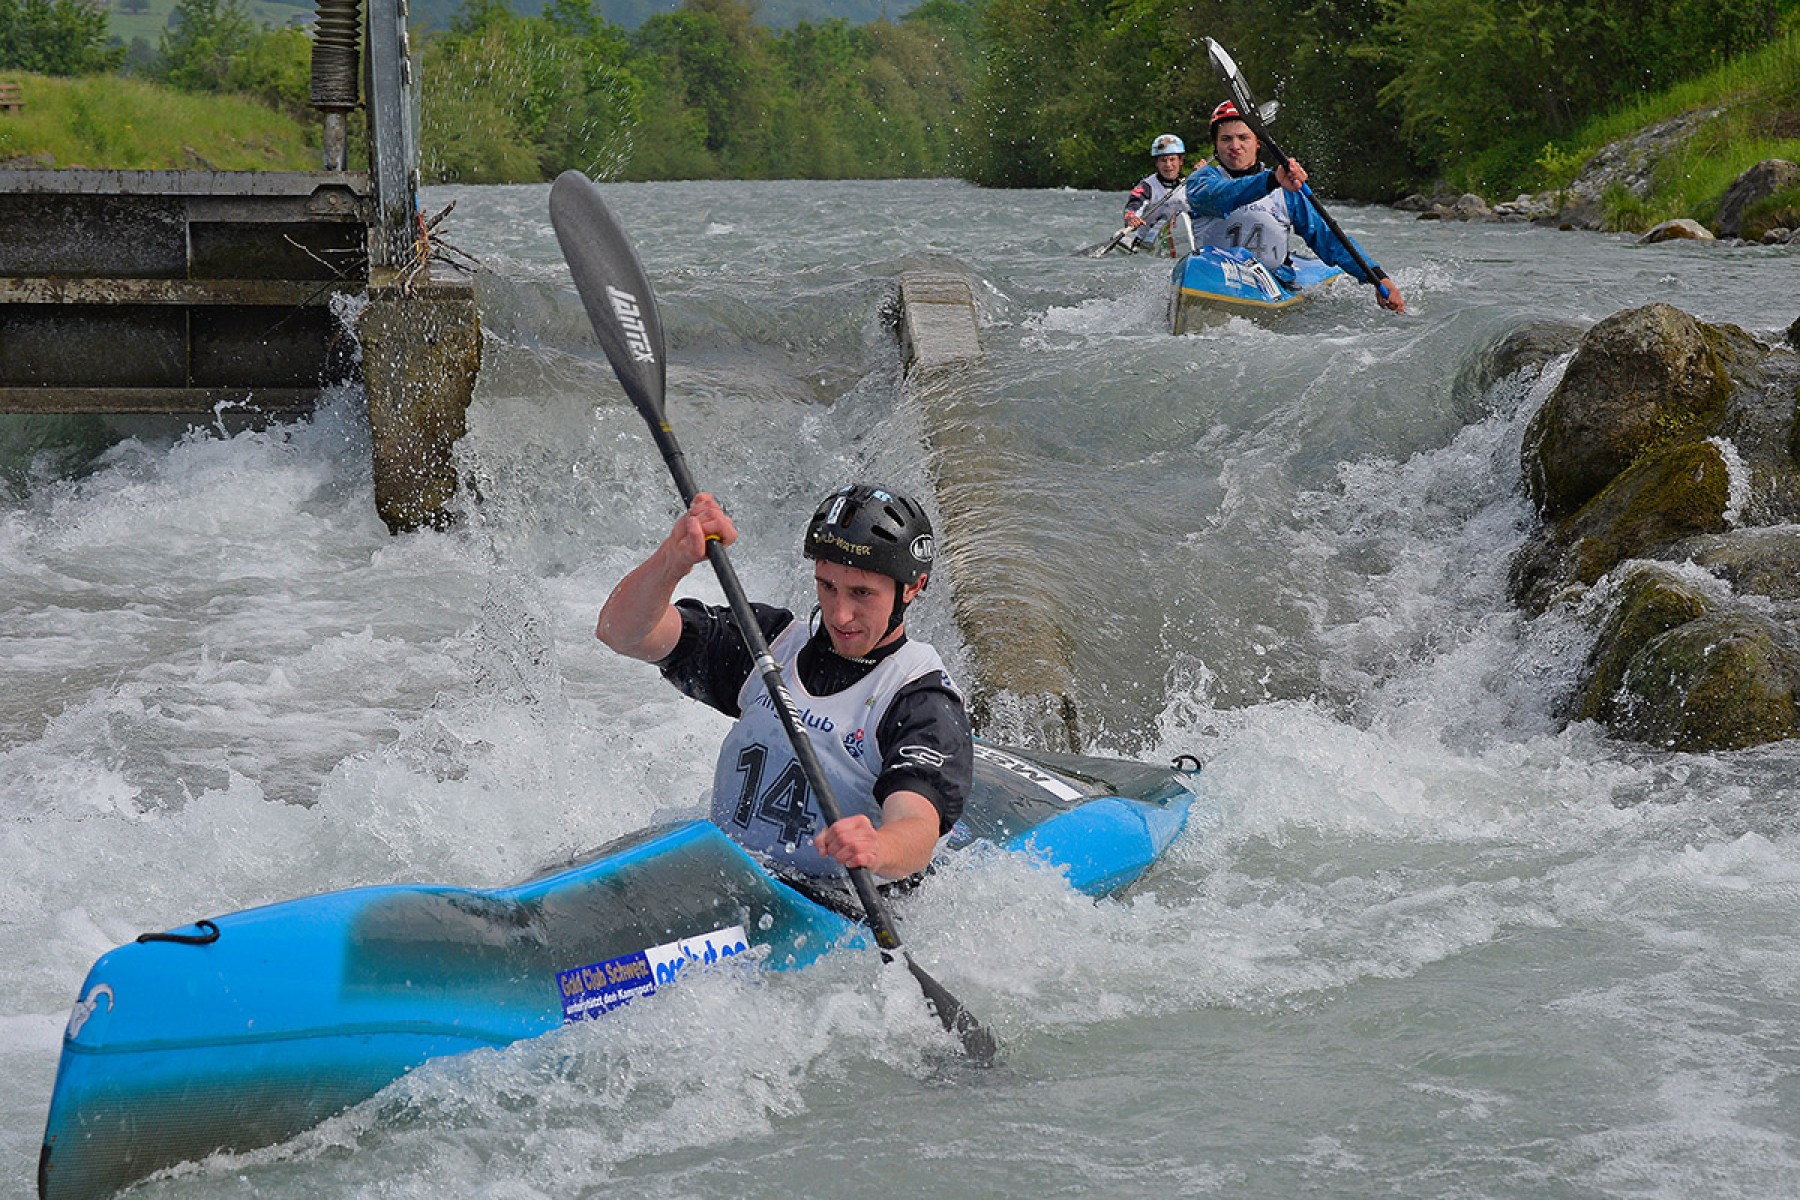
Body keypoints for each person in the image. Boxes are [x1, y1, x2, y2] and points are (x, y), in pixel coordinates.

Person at [596, 484, 973, 888]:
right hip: (729, 879)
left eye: (862, 593)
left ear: (912, 588)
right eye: (827, 586)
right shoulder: (768, 644)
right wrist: (673, 559)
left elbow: (917, 826)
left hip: (831, 906)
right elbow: (621, 633)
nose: (840, 614)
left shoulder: (921, 702)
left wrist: (879, 847)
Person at [1185, 101, 1406, 312]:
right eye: (1226, 139)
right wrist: (1270, 180)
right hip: (1210, 275)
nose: (1235, 146)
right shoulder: (1201, 180)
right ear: (1215, 144)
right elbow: (1219, 197)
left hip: (1271, 279)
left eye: (1244, 137)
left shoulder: (1286, 190)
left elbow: (1328, 238)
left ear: (1257, 142)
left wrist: (1378, 278)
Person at [1122, 133, 1191, 252]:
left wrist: (1204, 174)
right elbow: (1133, 207)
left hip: (1181, 236)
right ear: (1157, 163)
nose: (1168, 165)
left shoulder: (1191, 185)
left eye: (1172, 159)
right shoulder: (1146, 186)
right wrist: (1131, 218)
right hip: (1147, 240)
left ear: (1181, 161)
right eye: (1163, 160)